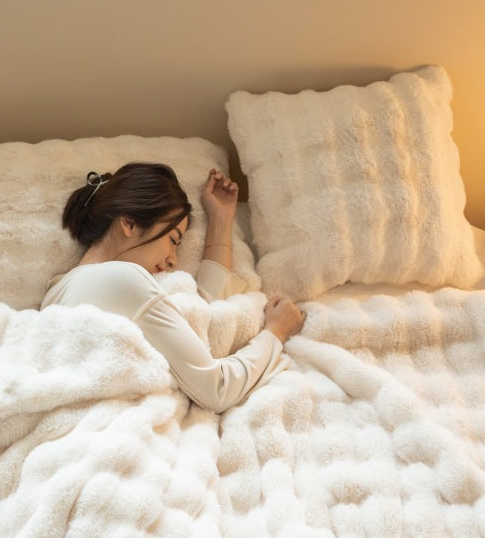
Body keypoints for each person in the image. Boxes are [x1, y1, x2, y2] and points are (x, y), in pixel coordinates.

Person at [40, 163, 305, 413]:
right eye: (172, 240)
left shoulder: (56, 291)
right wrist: (276, 332)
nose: (173, 261)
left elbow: (199, 315)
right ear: (129, 223)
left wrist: (220, 221)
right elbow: (217, 389)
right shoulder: (124, 279)